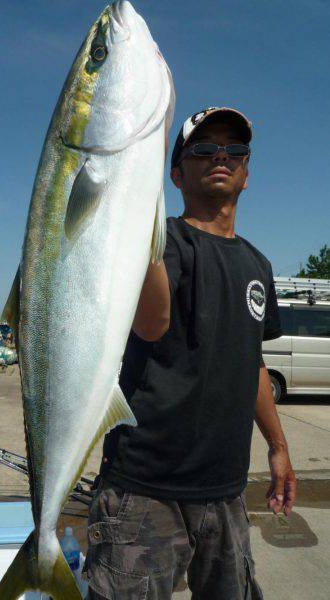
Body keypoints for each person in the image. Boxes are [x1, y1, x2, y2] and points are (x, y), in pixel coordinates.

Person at [85, 107, 297, 600]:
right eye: (203, 150)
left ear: (246, 174)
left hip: (225, 490)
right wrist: (142, 215)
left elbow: (254, 365)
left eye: (234, 150)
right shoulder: (166, 242)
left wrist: (279, 446)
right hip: (143, 489)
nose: (220, 157)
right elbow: (150, 322)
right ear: (177, 174)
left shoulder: (257, 263)